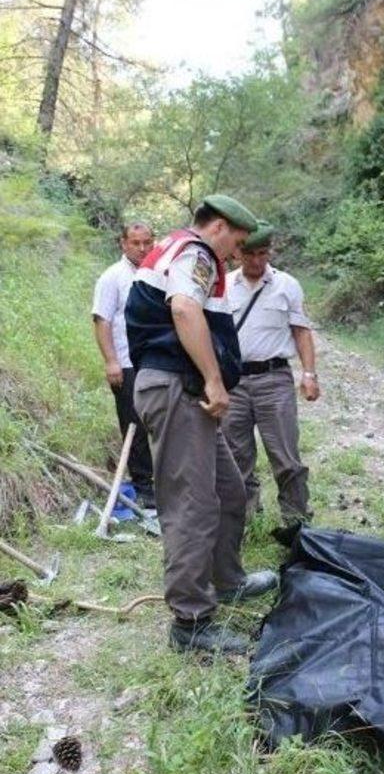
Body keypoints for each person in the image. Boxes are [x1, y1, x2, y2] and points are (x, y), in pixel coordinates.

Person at [125, 195, 278, 656]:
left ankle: (226, 579)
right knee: (191, 504)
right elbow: (185, 311)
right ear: (220, 227)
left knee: (229, 490)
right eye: (237, 240)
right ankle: (191, 621)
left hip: (182, 388)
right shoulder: (196, 253)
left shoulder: (179, 248)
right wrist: (214, 380)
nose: (236, 252)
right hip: (177, 388)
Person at [223, 221, 320, 546]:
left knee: (286, 457)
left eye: (263, 253)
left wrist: (309, 373)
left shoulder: (286, 285)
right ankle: (245, 522)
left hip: (274, 379)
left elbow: (301, 331)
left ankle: (297, 526)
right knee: (237, 458)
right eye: (250, 254)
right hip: (234, 382)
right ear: (238, 253)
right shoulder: (222, 286)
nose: (257, 261)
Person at [92, 222, 155, 507]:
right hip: (126, 363)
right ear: (123, 243)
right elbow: (102, 320)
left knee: (161, 422)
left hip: (155, 361)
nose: (142, 248)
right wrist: (111, 362)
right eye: (135, 243)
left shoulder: (157, 272)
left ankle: (165, 482)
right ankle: (143, 487)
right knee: (134, 425)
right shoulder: (112, 277)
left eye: (147, 242)